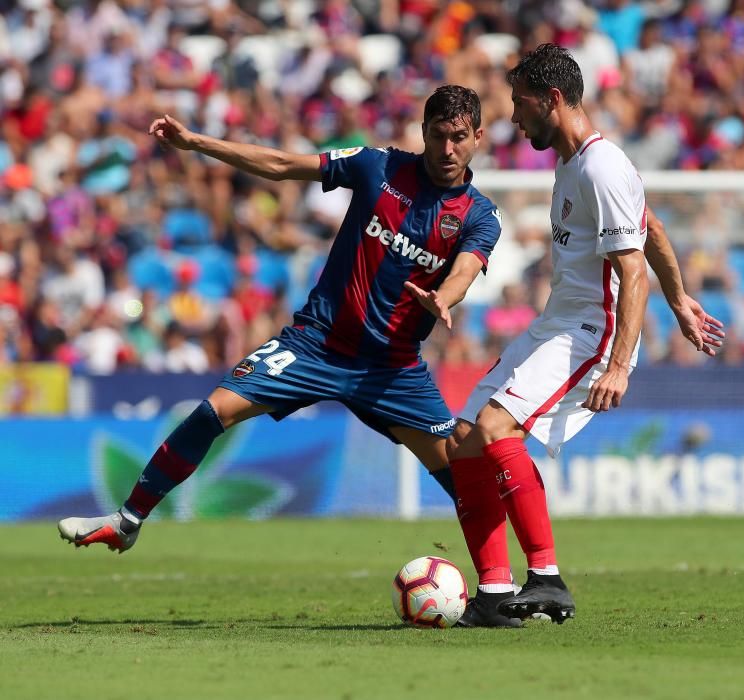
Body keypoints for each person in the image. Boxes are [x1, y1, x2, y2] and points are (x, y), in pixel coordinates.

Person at [57, 85, 503, 552]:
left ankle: (501, 587)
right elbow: (282, 164)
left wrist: (445, 298)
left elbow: (466, 269)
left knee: (463, 471)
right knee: (213, 411)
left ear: (478, 137)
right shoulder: (378, 166)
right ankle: (127, 520)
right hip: (316, 345)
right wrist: (196, 143)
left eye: (459, 137)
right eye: (438, 135)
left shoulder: (480, 216)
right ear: (423, 132)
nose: (447, 149)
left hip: (390, 368)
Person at [437, 45, 724, 628]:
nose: (514, 118)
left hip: (592, 331)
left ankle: (546, 579)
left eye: (520, 104)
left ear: (552, 99)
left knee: (496, 428)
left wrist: (618, 365)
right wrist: (681, 299)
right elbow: (654, 229)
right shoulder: (573, 165)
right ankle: (494, 593)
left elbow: (632, 267)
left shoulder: (601, 166)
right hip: (556, 322)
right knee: (464, 439)